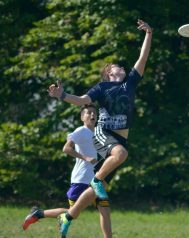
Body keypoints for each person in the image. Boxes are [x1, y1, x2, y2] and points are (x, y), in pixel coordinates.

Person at [47, 19, 152, 237]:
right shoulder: (102, 87)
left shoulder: (130, 82)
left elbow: (142, 58)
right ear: (109, 73)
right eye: (117, 67)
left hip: (120, 139)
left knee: (96, 188)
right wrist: (63, 96)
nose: (122, 67)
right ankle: (96, 180)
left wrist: (149, 34)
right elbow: (83, 100)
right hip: (104, 134)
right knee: (118, 158)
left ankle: (68, 216)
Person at [22, 105, 112, 238]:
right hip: (81, 179)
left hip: (96, 179)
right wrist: (85, 157)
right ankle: (38, 214)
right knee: (72, 213)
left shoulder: (99, 133)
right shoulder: (81, 131)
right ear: (82, 117)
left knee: (105, 211)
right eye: (88, 113)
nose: (92, 115)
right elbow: (66, 148)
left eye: (94, 113)